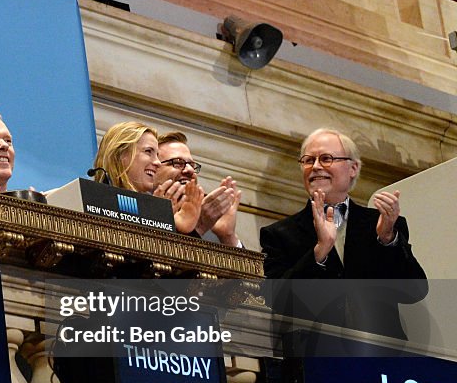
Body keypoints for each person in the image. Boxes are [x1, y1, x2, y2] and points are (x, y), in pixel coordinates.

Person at [260, 127, 427, 339]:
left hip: (381, 358)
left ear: (353, 168)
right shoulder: (278, 234)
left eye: (326, 158)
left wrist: (387, 239)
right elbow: (277, 302)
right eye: (308, 160)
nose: (316, 166)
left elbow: (414, 291)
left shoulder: (381, 224)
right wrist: (319, 252)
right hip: (315, 359)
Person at [92, 121, 201, 234]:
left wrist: (180, 230)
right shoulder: (94, 201)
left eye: (157, 155)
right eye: (148, 151)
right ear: (119, 155)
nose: (157, 162)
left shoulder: (149, 209)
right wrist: (157, 220)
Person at [155, 131, 242, 246]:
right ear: (153, 168)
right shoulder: (137, 212)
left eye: (191, 164)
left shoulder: (211, 224)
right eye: (177, 163)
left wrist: (228, 236)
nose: (189, 170)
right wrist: (199, 227)